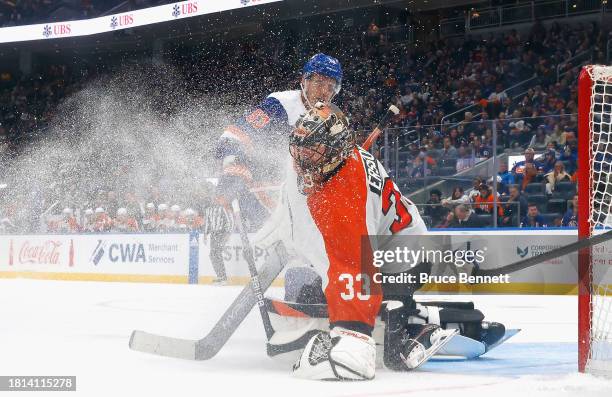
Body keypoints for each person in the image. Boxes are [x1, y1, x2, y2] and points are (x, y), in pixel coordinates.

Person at [211, 53, 345, 285]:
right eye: (319, 83)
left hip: (307, 192)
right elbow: (233, 135)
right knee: (293, 242)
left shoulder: (333, 119)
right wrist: (232, 162)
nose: (324, 91)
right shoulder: (281, 104)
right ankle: (302, 286)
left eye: (330, 86)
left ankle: (316, 288)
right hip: (271, 189)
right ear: (303, 81)